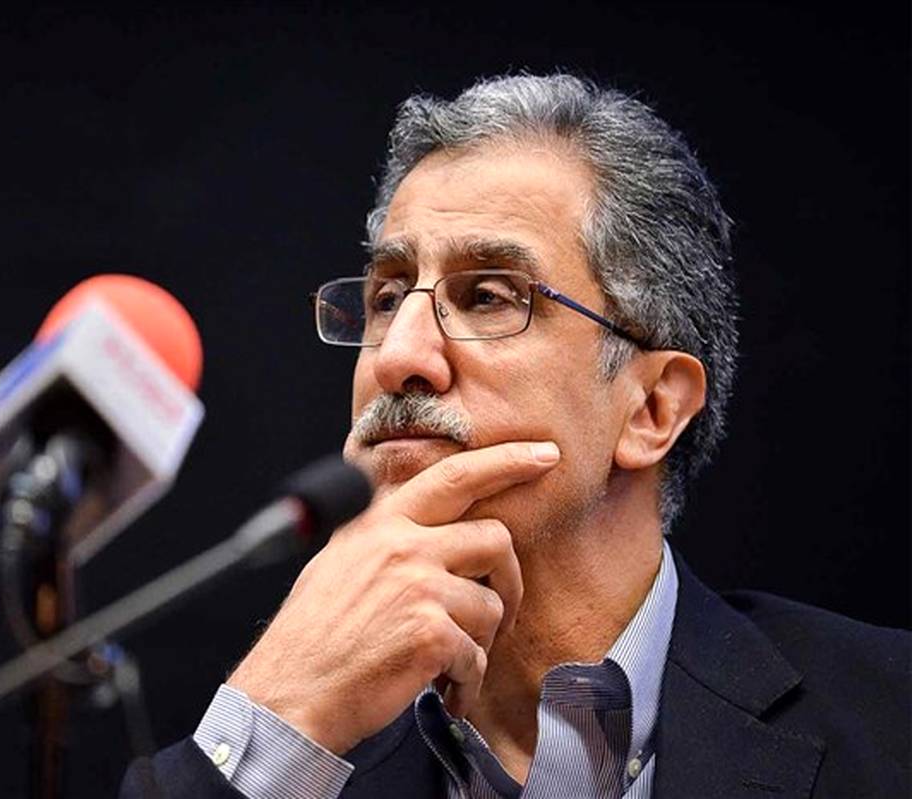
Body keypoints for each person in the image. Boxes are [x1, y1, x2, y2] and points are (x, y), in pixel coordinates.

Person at [119, 72, 910, 798]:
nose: (397, 356)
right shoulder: (284, 750)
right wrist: (279, 716)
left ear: (652, 409)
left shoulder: (889, 720)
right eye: (388, 297)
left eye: (489, 296)